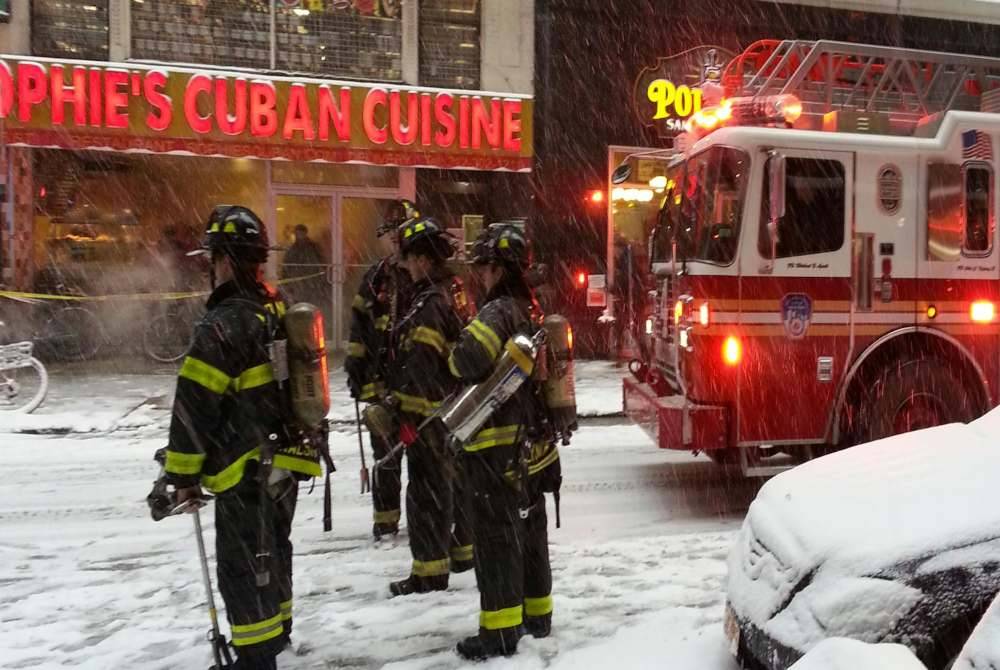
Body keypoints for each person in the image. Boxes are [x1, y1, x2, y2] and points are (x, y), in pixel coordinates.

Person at [162, 205, 322, 670]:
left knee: (244, 567)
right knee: (274, 550)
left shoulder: (222, 324)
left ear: (225, 260)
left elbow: (194, 406)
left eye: (213, 259)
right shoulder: (277, 305)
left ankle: (255, 658)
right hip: (287, 458)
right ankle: (278, 633)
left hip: (245, 468)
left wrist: (182, 475)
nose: (211, 269)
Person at [447, 224, 561, 661]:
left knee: (496, 538)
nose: (480, 276)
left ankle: (498, 632)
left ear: (496, 269)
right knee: (530, 531)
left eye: (484, 268)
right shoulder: (532, 309)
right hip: (533, 444)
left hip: (497, 449)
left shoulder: (497, 312)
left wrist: (456, 348)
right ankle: (537, 616)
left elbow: (467, 359)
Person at [386, 215, 466, 596]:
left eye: (409, 259)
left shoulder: (430, 304)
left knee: (426, 497)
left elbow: (421, 365)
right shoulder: (441, 295)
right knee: (436, 492)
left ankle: (429, 576)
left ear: (422, 260)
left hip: (428, 419)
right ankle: (437, 567)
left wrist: (402, 413)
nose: (405, 266)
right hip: (439, 416)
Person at [345, 200, 416, 539]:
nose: (395, 238)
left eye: (400, 231)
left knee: (424, 459)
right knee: (385, 458)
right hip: (381, 384)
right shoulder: (376, 279)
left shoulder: (429, 277)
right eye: (391, 232)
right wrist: (355, 369)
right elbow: (359, 328)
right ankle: (386, 522)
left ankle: (427, 519)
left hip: (419, 389)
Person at [281, 224, 326, 306]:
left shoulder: (313, 247)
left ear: (305, 233)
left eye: (301, 233)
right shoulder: (292, 249)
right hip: (299, 282)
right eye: (297, 233)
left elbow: (322, 261)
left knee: (311, 303)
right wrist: (286, 280)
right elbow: (286, 266)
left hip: (311, 281)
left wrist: (321, 276)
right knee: (301, 304)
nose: (299, 236)